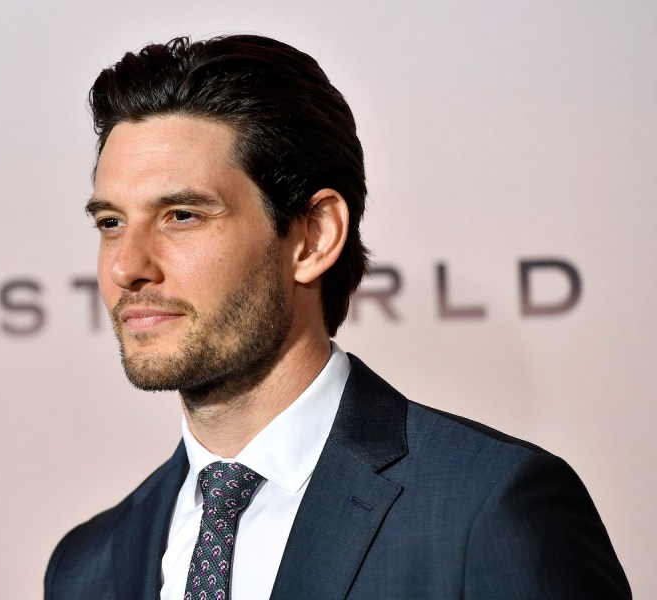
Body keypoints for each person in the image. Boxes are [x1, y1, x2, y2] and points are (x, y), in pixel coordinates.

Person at [45, 35, 630, 599]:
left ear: (313, 237)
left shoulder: (487, 511)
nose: (127, 266)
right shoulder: (86, 565)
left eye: (182, 215)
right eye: (111, 223)